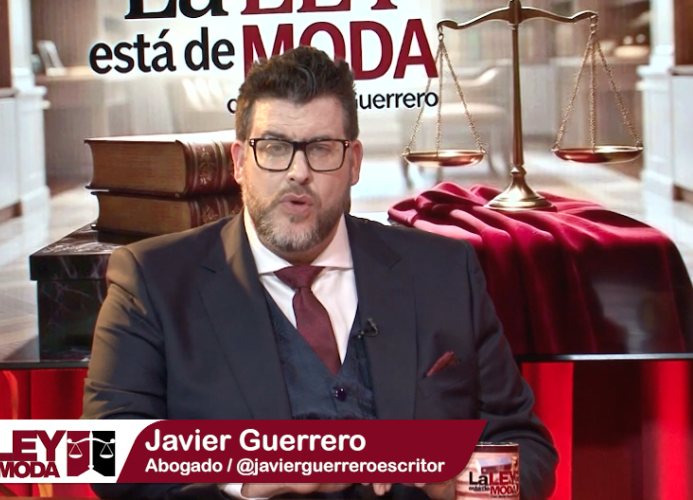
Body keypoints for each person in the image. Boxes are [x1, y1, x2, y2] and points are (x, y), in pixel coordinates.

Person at [82, 46, 558, 500]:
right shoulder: (152, 281)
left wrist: (465, 484)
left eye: (322, 149)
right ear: (240, 162)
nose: (298, 172)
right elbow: (105, 457)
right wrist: (246, 469)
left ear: (353, 163)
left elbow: (527, 447)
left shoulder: (444, 271)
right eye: (274, 148)